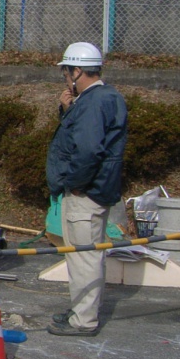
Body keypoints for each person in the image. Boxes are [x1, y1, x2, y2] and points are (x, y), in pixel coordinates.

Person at [45, 42, 128, 337]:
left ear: (77, 71)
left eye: (66, 72)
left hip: (86, 193)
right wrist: (67, 111)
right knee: (86, 256)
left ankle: (83, 320)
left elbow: (88, 150)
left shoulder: (94, 103)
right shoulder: (105, 98)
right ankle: (81, 309)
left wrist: (76, 186)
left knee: (84, 257)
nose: (65, 79)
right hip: (97, 189)